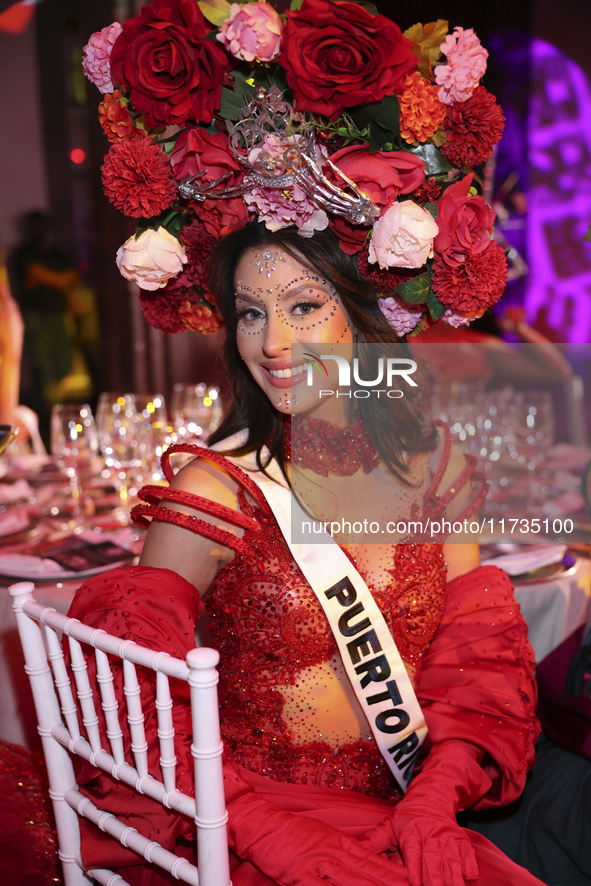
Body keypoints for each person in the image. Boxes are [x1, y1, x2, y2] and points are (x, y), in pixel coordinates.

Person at [68, 223, 545, 886]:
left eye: (301, 307)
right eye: (250, 314)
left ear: (359, 315)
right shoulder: (214, 491)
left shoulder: (436, 475)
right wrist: (266, 831)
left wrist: (434, 803)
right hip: (244, 824)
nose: (272, 343)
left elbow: (478, 671)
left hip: (402, 815)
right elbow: (131, 693)